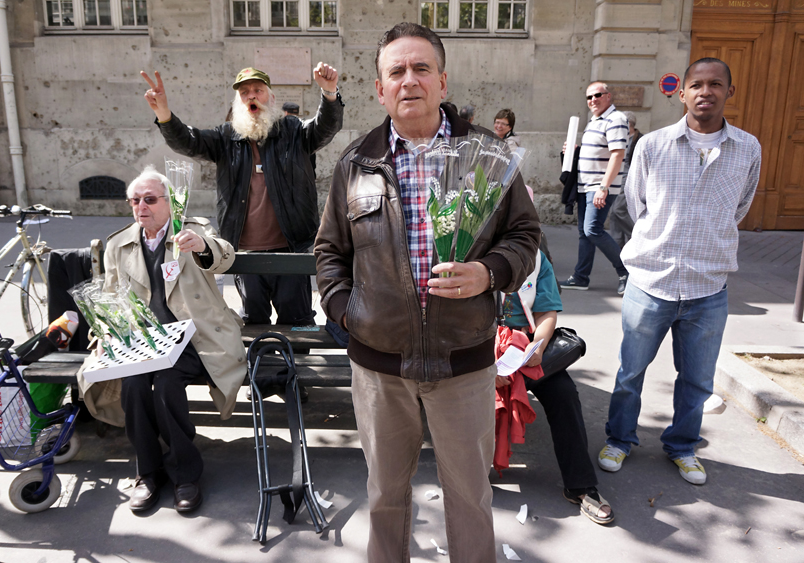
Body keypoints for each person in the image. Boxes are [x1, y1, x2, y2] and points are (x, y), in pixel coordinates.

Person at [315, 22, 540, 562]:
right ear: (379, 88)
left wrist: (488, 273)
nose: (409, 80)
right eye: (396, 71)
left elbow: (526, 236)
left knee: (469, 498)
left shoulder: (487, 154)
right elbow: (328, 252)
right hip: (379, 367)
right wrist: (350, 313)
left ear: (442, 80)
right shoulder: (355, 163)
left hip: (462, 362)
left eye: (421, 69)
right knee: (385, 497)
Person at [597, 58, 761, 485]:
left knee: (697, 380)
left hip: (709, 287)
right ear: (683, 93)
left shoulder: (748, 149)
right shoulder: (653, 145)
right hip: (651, 282)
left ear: (729, 91)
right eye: (697, 85)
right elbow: (637, 206)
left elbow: (738, 208)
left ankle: (683, 446)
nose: (706, 92)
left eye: (715, 85)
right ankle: (619, 439)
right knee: (630, 372)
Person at [78, 166, 246, 514]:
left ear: (170, 202)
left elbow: (225, 256)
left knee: (168, 386)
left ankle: (186, 475)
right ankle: (148, 473)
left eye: (150, 199)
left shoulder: (193, 230)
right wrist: (107, 334)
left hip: (193, 338)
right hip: (144, 341)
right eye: (135, 201)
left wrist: (203, 246)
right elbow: (111, 296)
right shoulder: (119, 244)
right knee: (135, 387)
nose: (142, 207)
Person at [141, 63, 343, 327]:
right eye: (244, 92)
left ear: (270, 98)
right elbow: (189, 142)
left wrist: (329, 93)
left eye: (258, 90)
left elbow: (325, 127)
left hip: (292, 250)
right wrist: (164, 114)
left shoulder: (293, 132)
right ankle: (260, 368)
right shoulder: (226, 138)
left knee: (298, 321)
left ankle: (296, 368)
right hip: (244, 254)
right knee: (253, 322)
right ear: (237, 102)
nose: (251, 96)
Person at [495, 242, 614, 525]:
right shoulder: (470, 253)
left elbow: (546, 312)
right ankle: (465, 480)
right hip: (482, 348)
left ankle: (580, 485)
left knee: (564, 394)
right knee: (467, 395)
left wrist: (537, 346)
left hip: (525, 348)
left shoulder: (535, 258)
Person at [559, 82, 630, 294]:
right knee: (584, 233)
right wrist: (575, 150)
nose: (593, 100)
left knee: (592, 229)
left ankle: (627, 272)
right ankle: (581, 277)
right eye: (589, 97)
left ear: (608, 96)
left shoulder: (616, 119)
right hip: (585, 186)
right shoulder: (594, 121)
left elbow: (617, 154)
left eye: (597, 95)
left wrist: (604, 187)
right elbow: (600, 150)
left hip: (598, 187)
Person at [609, 110, 643, 248]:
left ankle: (638, 237)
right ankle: (617, 245)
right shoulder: (618, 137)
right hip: (614, 177)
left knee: (618, 210)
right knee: (613, 213)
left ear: (629, 124)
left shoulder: (640, 139)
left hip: (629, 177)